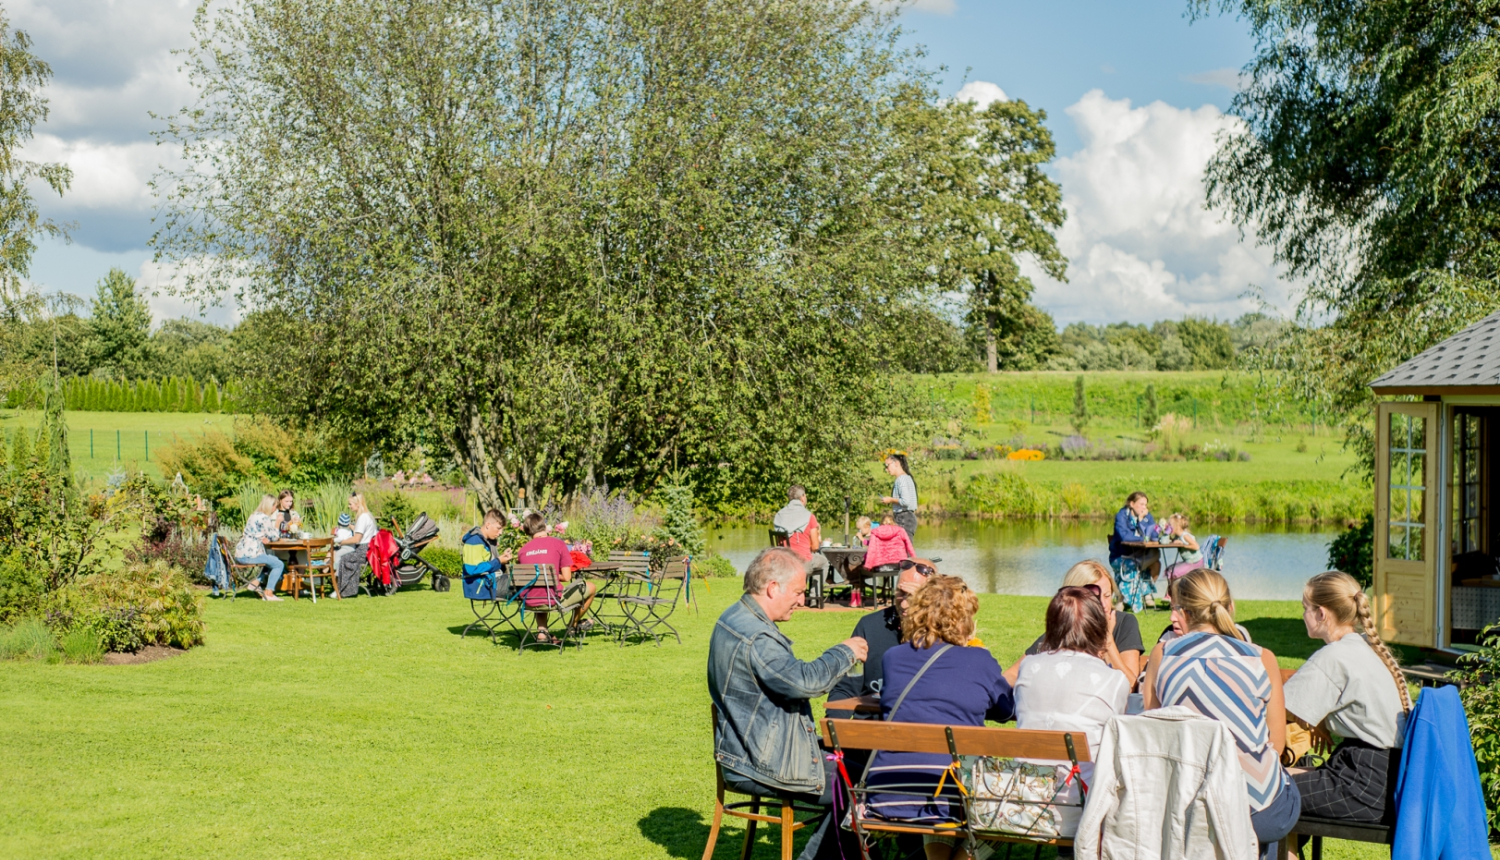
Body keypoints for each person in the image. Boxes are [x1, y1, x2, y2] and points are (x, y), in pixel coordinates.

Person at [707, 547, 869, 860]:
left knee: (857, 769)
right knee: (862, 786)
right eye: (798, 592)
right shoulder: (757, 637)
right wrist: (844, 652)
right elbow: (804, 682)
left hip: (746, 749)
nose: (802, 600)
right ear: (772, 588)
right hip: (760, 761)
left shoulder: (734, 616)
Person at [1143, 568, 1300, 860]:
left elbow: (1153, 732)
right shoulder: (1261, 658)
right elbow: (1277, 745)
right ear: (1230, 606)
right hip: (1255, 810)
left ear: (1184, 612)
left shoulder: (1162, 655)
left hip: (1184, 805)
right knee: (1280, 791)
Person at [865, 575, 1013, 860]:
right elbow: (1006, 711)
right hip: (950, 795)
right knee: (1013, 803)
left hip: (889, 789)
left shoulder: (893, 657)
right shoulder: (979, 660)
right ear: (964, 619)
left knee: (939, 772)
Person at [1284, 571, 1411, 827]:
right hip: (1386, 779)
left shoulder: (1334, 656)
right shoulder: (1366, 648)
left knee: (1259, 789)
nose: (1303, 615)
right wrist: (1319, 721)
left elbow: (1275, 708)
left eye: (1305, 608)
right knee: (1278, 780)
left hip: (1360, 784)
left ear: (1321, 613)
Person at [1012, 585, 1130, 835]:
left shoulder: (1028, 666)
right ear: (1098, 626)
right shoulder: (1114, 680)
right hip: (1082, 808)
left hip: (1022, 804)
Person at [825, 558, 936, 717]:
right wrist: (834, 725)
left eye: (913, 596)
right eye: (901, 593)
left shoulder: (943, 635)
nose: (904, 604)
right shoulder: (869, 626)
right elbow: (847, 687)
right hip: (870, 727)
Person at [1009, 560, 1143, 686]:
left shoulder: (1124, 623)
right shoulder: (1065, 629)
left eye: (1107, 596)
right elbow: (1012, 674)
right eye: (1095, 597)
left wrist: (1107, 641)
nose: (1103, 604)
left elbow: (1130, 684)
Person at [516, 512, 596, 640]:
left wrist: (543, 576)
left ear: (527, 531)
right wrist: (550, 575)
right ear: (544, 526)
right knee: (591, 587)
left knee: (539, 589)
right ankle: (572, 625)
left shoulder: (523, 550)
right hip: (552, 600)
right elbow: (567, 577)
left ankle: (542, 631)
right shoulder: (558, 544)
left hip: (529, 600)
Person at [1109, 491, 1161, 606]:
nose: (1144, 507)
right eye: (1141, 504)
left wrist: (1142, 521)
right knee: (1132, 565)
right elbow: (1124, 536)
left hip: (1139, 555)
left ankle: (1146, 593)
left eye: (1145, 505)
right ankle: (1125, 600)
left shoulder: (1146, 516)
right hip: (1120, 556)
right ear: (1132, 504)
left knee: (1156, 562)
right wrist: (1143, 539)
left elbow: (1154, 536)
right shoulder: (1122, 516)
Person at [772, 486, 830, 583]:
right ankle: (814, 593)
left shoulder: (779, 515)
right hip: (802, 561)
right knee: (824, 562)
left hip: (783, 560)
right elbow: (815, 547)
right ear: (802, 497)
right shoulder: (809, 516)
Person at [234, 494, 284, 601]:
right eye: (275, 506)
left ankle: (254, 583)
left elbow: (259, 533)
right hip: (251, 555)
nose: (275, 509)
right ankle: (269, 593)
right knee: (279, 564)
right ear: (270, 505)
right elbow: (274, 537)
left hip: (241, 554)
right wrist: (278, 523)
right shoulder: (264, 518)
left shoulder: (254, 515)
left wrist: (265, 538)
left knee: (272, 560)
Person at [334, 492, 378, 597]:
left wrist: (341, 542)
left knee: (343, 558)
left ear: (358, 504)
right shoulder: (367, 515)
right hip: (367, 548)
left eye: (350, 504)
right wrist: (351, 526)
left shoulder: (362, 518)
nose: (349, 506)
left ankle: (344, 589)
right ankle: (339, 587)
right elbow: (361, 532)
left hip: (362, 550)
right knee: (338, 553)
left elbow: (357, 538)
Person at [461, 509, 515, 587]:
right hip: (480, 586)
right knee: (521, 583)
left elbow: (491, 565)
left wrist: (502, 560)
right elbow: (473, 569)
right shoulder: (474, 541)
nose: (501, 533)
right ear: (488, 525)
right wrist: (498, 561)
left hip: (489, 583)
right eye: (498, 528)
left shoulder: (488, 541)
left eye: (502, 529)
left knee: (520, 581)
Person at [879, 453, 918, 542]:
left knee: (902, 548)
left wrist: (890, 500)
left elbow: (906, 501)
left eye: (887, 465)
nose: (886, 469)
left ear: (896, 463)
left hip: (904, 518)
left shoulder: (902, 479)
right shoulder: (906, 478)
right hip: (906, 518)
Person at [1160, 512, 1204, 581]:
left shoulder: (1184, 535)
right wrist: (1165, 533)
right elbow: (1165, 542)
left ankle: (1175, 587)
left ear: (1177, 526)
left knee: (1173, 572)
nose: (1169, 526)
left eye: (1170, 525)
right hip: (1188, 562)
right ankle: (1173, 587)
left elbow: (1196, 546)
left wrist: (1183, 544)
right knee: (1169, 569)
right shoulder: (1177, 536)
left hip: (1195, 563)